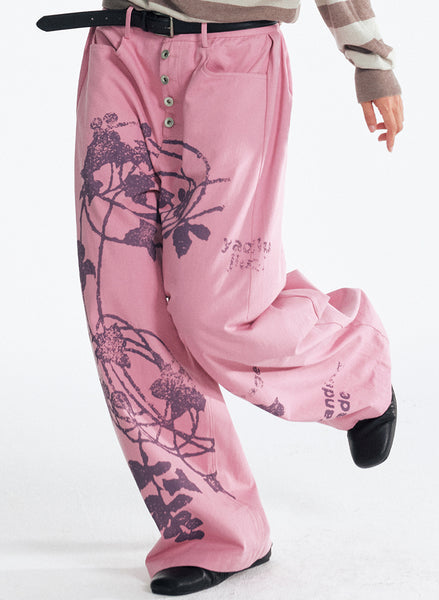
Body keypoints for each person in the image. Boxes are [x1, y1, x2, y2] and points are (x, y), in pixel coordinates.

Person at [37, 0, 403, 595]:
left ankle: (354, 366)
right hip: (119, 50)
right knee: (120, 313)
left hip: (235, 54)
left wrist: (371, 59)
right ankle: (215, 532)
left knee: (220, 310)